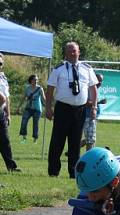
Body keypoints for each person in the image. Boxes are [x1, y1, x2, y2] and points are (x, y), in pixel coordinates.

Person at [45, 42, 98, 178]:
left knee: (75, 141)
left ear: (79, 52)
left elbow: (93, 89)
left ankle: (73, 172)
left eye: (74, 51)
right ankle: (53, 171)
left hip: (80, 109)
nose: (72, 53)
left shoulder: (87, 69)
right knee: (58, 140)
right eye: (69, 51)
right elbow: (50, 89)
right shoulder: (59, 69)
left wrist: (94, 107)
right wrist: (48, 107)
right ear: (65, 53)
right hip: (62, 108)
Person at [82, 74, 105, 152]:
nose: (100, 83)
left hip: (92, 117)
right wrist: (99, 102)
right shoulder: (89, 89)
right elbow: (85, 102)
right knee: (90, 140)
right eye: (99, 81)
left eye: (101, 81)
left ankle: (72, 150)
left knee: (91, 139)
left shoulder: (95, 89)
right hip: (88, 116)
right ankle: (89, 159)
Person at [19, 74, 44, 142]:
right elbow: (23, 98)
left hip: (37, 109)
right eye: (34, 80)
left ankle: (35, 138)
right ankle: (24, 136)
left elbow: (43, 98)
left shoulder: (40, 89)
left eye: (36, 80)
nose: (36, 81)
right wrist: (19, 106)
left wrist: (47, 106)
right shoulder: (27, 88)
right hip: (28, 108)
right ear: (31, 80)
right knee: (24, 121)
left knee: (35, 124)